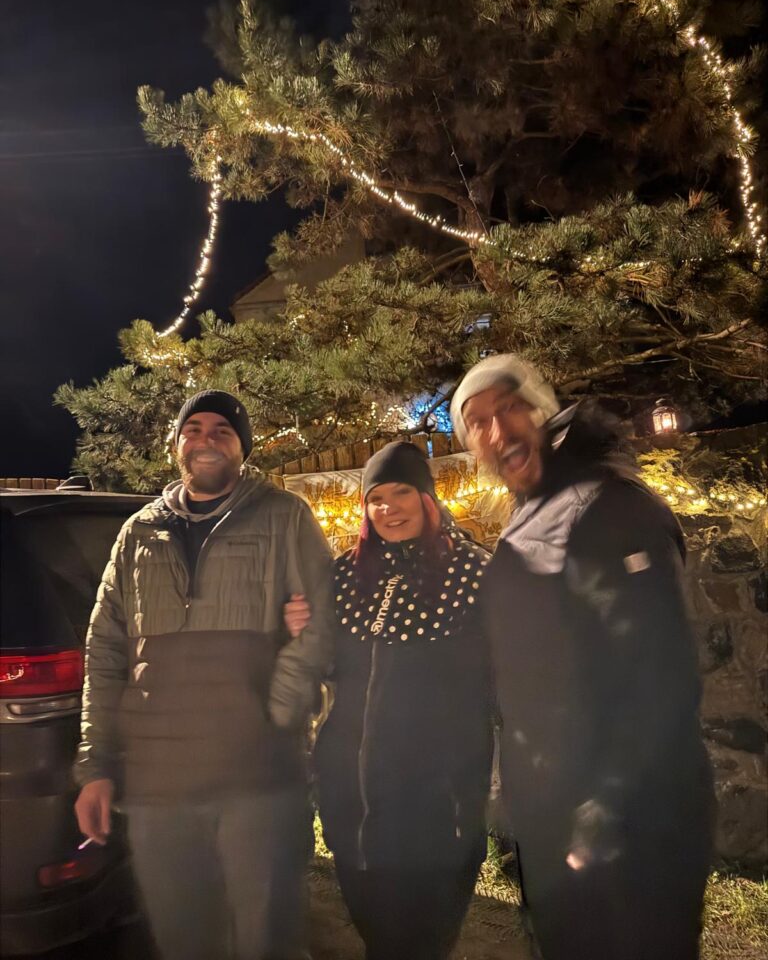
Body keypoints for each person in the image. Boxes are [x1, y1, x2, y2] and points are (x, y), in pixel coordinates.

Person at [450, 354, 715, 960]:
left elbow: (657, 675)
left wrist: (607, 807)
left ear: (542, 412)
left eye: (509, 408)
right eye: (478, 422)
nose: (498, 430)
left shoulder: (607, 505)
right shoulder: (534, 511)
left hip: (631, 821)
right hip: (555, 811)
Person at [74, 390, 335, 960]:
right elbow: (105, 653)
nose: (206, 439)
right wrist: (96, 767)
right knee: (184, 937)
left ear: (243, 447)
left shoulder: (283, 516)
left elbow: (321, 622)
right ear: (176, 445)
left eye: (223, 430)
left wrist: (280, 713)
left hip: (258, 781)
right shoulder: (139, 532)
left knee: (268, 937)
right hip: (158, 785)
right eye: (193, 429)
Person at [285, 441, 493, 960]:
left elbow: (505, 680)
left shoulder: (474, 573)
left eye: (401, 493)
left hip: (435, 807)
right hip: (351, 804)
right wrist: (299, 629)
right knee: (377, 935)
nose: (388, 508)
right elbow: (325, 665)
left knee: (422, 940)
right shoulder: (345, 575)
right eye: (375, 498)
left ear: (428, 498)